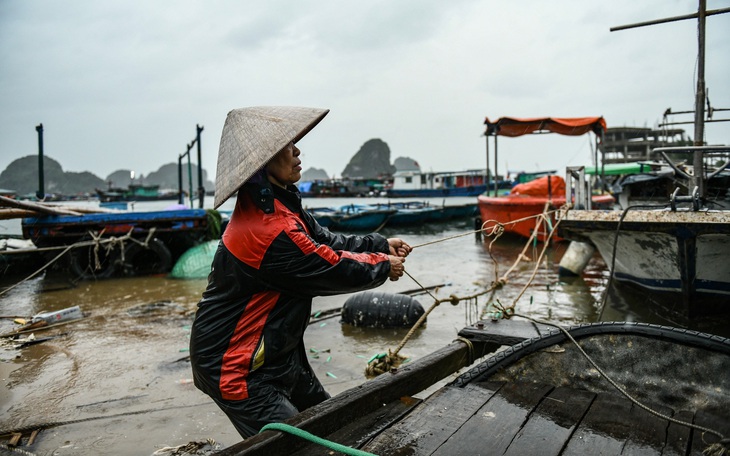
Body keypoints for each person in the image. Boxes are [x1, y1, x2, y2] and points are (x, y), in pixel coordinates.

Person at [189, 106, 411, 438]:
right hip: (236, 366)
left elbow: (327, 240)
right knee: (295, 444)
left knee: (329, 421)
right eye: (287, 146)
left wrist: (379, 245)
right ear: (263, 164)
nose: (297, 151)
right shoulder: (270, 232)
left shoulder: (280, 205)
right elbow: (329, 266)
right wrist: (383, 265)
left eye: (295, 142)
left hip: (276, 354)